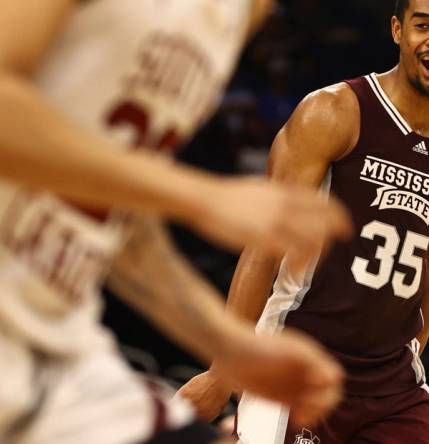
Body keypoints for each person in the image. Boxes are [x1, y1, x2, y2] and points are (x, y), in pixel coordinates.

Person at [0, 1, 352, 443]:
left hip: (52, 350)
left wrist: (231, 344)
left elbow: (113, 218)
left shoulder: (240, 16)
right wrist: (200, 197)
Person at [178, 0, 429, 442]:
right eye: (422, 25)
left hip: (391, 382)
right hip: (299, 351)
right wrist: (223, 370)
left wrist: (405, 354)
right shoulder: (333, 112)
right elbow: (263, 246)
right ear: (397, 30)